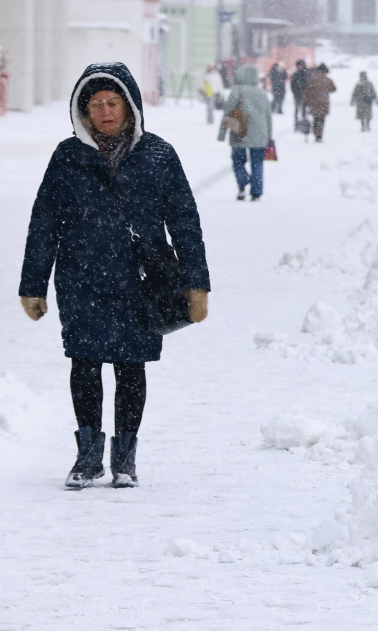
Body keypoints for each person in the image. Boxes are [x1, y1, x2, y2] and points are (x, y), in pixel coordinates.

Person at [18, 62, 211, 489]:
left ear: (130, 106)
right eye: (96, 103)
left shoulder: (159, 154)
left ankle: (125, 458)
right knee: (84, 364)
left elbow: (185, 221)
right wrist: (32, 284)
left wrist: (197, 284)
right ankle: (88, 457)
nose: (106, 111)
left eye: (114, 102)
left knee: (130, 365)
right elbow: (44, 222)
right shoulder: (68, 157)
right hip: (80, 279)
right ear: (84, 111)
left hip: (140, 282)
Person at [218, 64, 273, 201]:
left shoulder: (236, 91)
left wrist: (222, 134)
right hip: (259, 134)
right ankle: (256, 192)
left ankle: (243, 183)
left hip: (239, 132)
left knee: (237, 161)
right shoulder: (262, 93)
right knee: (257, 163)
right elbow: (268, 116)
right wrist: (269, 136)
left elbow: (227, 113)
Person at [303, 64, 336, 143]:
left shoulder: (312, 79)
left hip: (314, 103)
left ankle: (316, 133)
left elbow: (307, 91)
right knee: (322, 119)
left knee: (315, 119)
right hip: (324, 103)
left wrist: (306, 103)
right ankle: (319, 135)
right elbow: (334, 89)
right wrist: (326, 91)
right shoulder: (327, 79)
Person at [290, 59, 310, 130]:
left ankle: (304, 124)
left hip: (304, 95)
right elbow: (292, 85)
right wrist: (296, 92)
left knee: (304, 110)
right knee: (297, 110)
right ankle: (297, 124)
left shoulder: (306, 73)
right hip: (297, 95)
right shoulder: (296, 74)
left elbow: (308, 84)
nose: (298, 67)